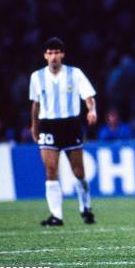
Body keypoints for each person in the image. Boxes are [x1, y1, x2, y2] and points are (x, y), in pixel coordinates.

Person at [29, 37, 97, 226]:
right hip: (47, 125)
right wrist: (34, 126)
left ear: (63, 54)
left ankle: (85, 208)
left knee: (78, 171)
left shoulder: (75, 74)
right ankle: (56, 215)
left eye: (57, 52)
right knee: (51, 170)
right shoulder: (37, 77)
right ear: (45, 56)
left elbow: (88, 95)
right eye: (50, 53)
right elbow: (36, 104)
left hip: (70, 124)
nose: (53, 57)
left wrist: (92, 110)